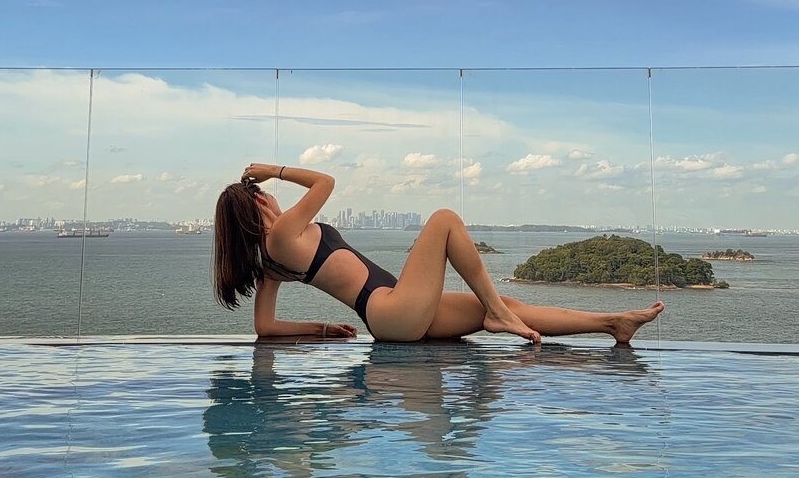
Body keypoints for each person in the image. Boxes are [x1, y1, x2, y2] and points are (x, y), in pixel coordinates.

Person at [213, 162, 664, 344]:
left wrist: (326, 328)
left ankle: (613, 323)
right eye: (264, 192)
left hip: (395, 312)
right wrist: (274, 169)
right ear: (257, 202)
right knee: (444, 219)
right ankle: (498, 314)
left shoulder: (270, 260)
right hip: (392, 310)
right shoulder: (282, 233)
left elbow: (264, 327)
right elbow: (326, 182)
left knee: (505, 303)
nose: (271, 194)